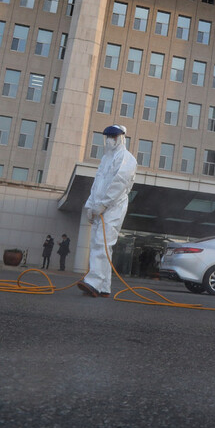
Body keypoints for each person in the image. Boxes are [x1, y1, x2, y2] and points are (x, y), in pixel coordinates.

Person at [78, 124, 137, 298]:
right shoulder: (105, 159)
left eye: (114, 136)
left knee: (101, 243)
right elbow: (97, 184)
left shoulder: (127, 158)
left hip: (114, 206)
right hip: (100, 207)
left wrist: (104, 204)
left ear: (122, 138)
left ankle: (94, 281)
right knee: (102, 244)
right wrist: (90, 206)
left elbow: (119, 182)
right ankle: (104, 287)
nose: (110, 140)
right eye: (108, 136)